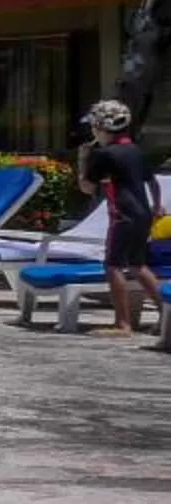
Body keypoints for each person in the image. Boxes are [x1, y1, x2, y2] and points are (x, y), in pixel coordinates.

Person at [77, 99, 162, 342]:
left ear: (101, 128)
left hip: (121, 214)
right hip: (143, 213)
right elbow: (152, 183)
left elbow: (86, 188)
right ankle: (165, 312)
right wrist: (156, 208)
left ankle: (122, 323)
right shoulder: (135, 150)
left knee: (113, 265)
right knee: (137, 265)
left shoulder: (103, 154)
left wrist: (83, 160)